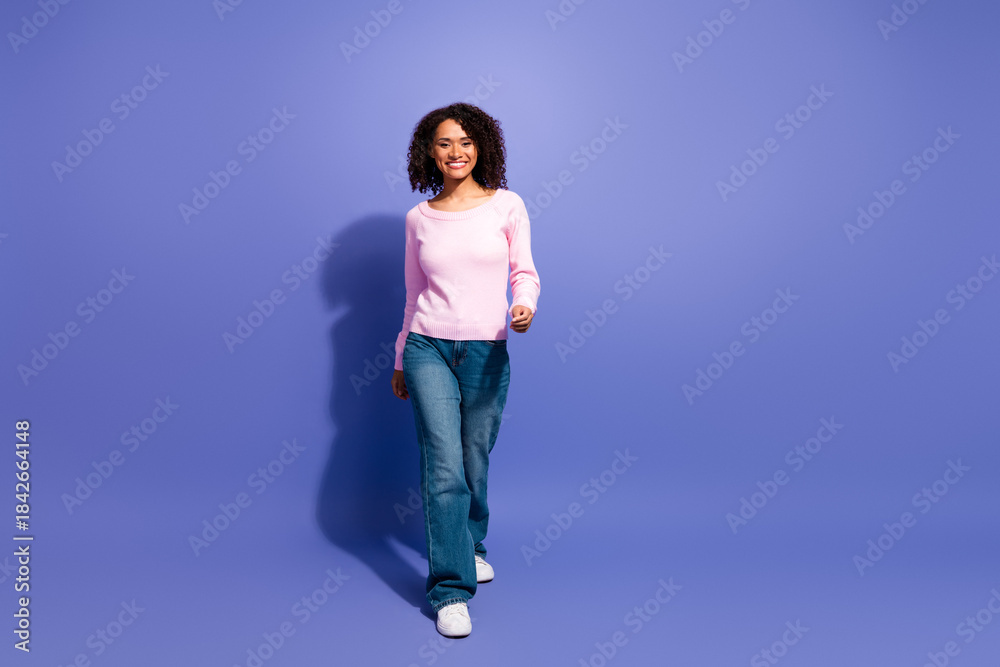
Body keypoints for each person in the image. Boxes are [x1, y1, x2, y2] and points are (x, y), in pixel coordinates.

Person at [390, 102, 540, 638]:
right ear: (429, 153)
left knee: (475, 454)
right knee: (443, 464)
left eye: (466, 141)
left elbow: (524, 273)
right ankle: (451, 591)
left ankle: (470, 543)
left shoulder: (507, 206)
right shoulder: (418, 219)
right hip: (427, 347)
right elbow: (413, 296)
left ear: (481, 147)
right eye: (444, 143)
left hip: (486, 350)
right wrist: (401, 356)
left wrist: (524, 306)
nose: (456, 151)